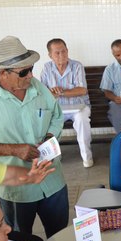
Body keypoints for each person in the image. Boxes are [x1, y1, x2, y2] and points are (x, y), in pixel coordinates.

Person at [0, 36, 69, 239]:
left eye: (31, 68)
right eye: (24, 72)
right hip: (17, 188)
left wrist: (49, 136)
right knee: (20, 240)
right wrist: (14, 150)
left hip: (52, 179)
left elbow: (57, 116)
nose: (31, 75)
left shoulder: (37, 87)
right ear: (3, 72)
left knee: (61, 236)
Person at [41, 38, 94, 168]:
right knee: (45, 121)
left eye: (64, 51)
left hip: (79, 106)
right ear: (50, 55)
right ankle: (53, 157)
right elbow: (43, 93)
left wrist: (60, 92)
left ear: (67, 50)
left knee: (82, 119)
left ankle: (87, 157)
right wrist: (52, 93)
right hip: (57, 109)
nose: (61, 55)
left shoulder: (77, 66)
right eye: (57, 53)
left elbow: (82, 90)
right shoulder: (47, 68)